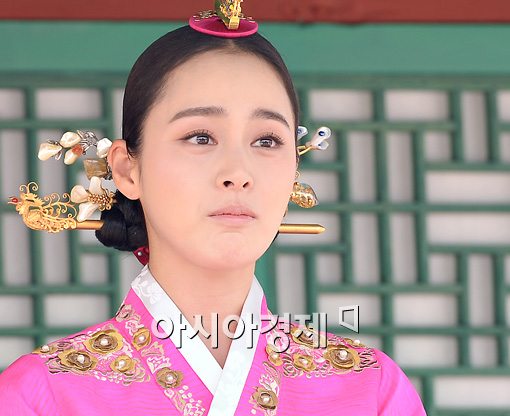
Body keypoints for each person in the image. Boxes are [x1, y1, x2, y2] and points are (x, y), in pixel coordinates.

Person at [0, 4, 426, 415]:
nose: (238, 173)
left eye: (267, 140)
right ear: (128, 169)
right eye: (200, 137)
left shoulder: (370, 387)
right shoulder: (41, 393)